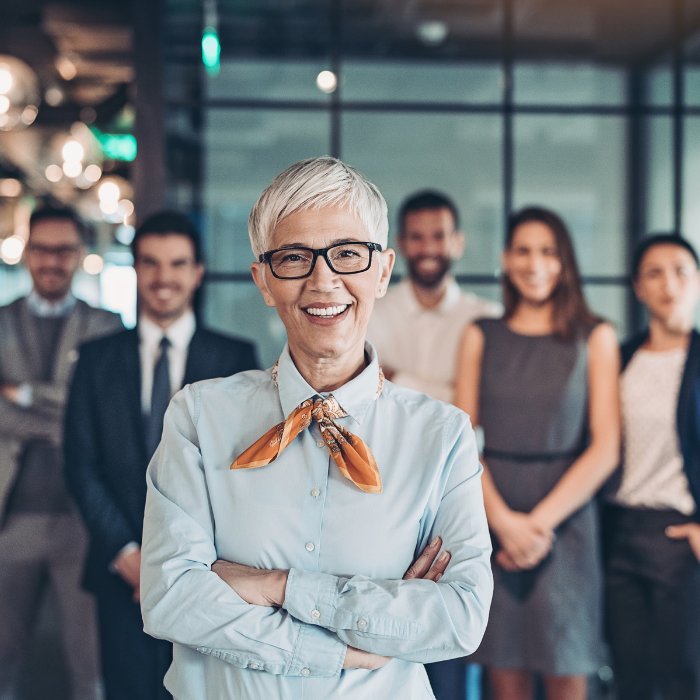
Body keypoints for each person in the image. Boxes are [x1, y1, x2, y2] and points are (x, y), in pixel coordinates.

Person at [138, 157, 493, 700]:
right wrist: (350, 644)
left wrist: (277, 586)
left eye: (348, 254)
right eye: (294, 258)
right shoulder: (198, 416)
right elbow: (169, 597)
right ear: (263, 279)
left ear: (382, 269)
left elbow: (460, 617)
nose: (323, 280)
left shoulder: (442, 435)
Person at [64, 212, 259, 700]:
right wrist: (131, 557)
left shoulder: (236, 359)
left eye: (177, 264)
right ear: (134, 269)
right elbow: (81, 466)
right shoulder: (95, 359)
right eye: (150, 263)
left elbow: (245, 472)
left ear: (198, 272)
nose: (163, 277)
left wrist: (190, 564)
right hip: (119, 570)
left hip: (210, 575)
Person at [455, 206, 620, 700]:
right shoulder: (479, 335)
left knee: (569, 671)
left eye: (549, 251)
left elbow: (606, 447)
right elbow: (461, 444)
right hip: (493, 514)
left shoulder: (597, 337)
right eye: (523, 250)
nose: (535, 263)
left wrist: (537, 525)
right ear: (506, 259)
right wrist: (505, 523)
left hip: (567, 524)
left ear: (565, 261)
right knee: (504, 677)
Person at [0, 206, 123, 700]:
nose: (53, 260)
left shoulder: (108, 326)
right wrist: (67, 410)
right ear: (27, 253)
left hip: (83, 521)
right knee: (3, 658)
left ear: (80, 256)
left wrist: (23, 394)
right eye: (43, 249)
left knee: (89, 667)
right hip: (10, 520)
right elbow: (74, 414)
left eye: (64, 250)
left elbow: (101, 416)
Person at [603, 234, 700, 700]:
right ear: (638, 287)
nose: (669, 284)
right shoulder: (619, 358)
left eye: (681, 270)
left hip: (680, 535)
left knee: (683, 675)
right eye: (654, 273)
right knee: (629, 676)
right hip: (619, 533)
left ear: (697, 280)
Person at [367, 191, 501, 404]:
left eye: (438, 236)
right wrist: (454, 392)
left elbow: (486, 404)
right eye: (416, 237)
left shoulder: (488, 318)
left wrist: (395, 379)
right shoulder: (370, 313)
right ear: (400, 243)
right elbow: (358, 390)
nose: (428, 248)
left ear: (458, 243)